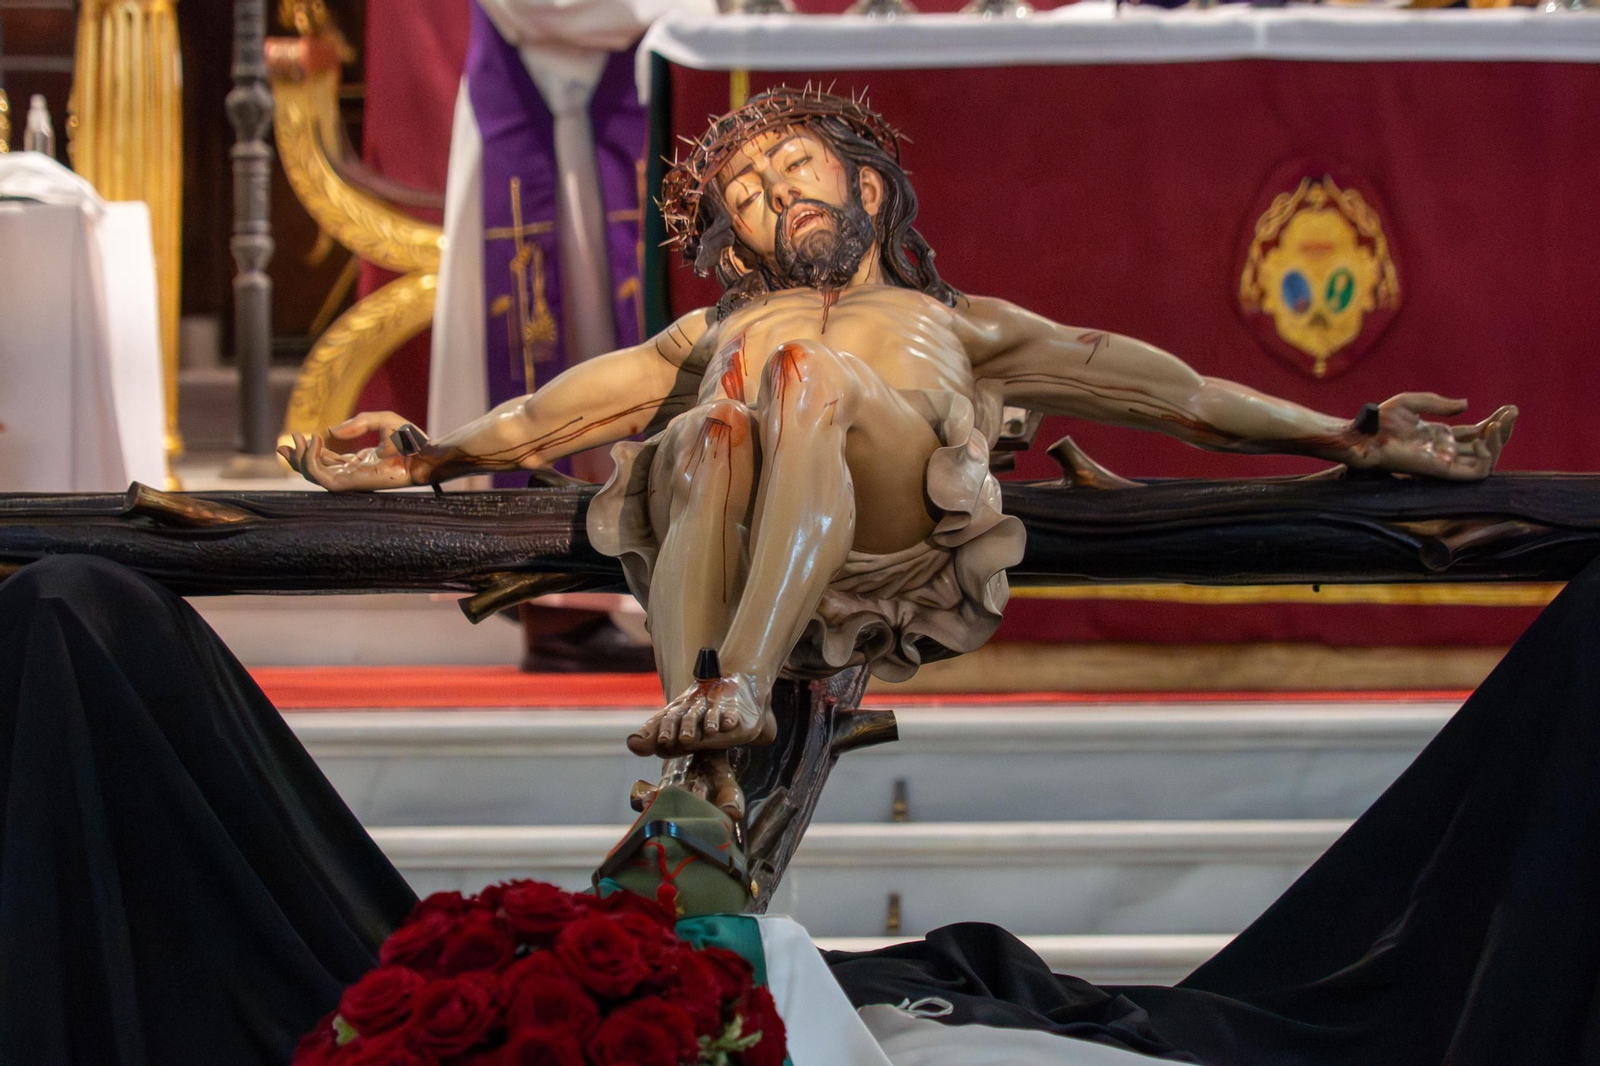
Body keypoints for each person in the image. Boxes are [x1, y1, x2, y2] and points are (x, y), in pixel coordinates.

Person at [282, 87, 1514, 811]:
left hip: (889, 505)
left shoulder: (958, 322)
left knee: (804, 378)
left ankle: (736, 687)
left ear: (870, 191)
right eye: (750, 192)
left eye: (797, 166)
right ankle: (696, 761)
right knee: (705, 419)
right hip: (745, 494)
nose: (776, 194)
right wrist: (433, 454)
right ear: (738, 240)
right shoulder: (719, 323)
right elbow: (560, 412)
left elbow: (1172, 390)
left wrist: (1344, 433)